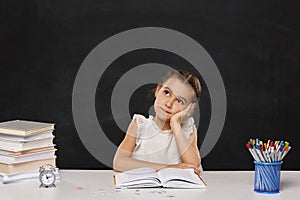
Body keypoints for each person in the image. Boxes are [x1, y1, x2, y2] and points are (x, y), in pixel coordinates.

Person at [113, 69, 202, 176]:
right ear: (157, 90)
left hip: (176, 191)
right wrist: (170, 168)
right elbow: (119, 162)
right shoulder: (140, 125)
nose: (169, 104)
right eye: (167, 93)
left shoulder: (188, 129)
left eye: (179, 101)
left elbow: (193, 166)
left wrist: (175, 124)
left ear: (189, 108)